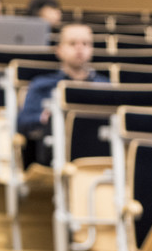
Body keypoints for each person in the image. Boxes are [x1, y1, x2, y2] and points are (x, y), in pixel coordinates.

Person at [17, 23, 108, 165]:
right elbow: (22, 123)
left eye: (85, 43)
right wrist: (43, 118)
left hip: (98, 160)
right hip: (52, 160)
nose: (79, 48)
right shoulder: (42, 85)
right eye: (72, 43)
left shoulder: (105, 87)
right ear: (59, 50)